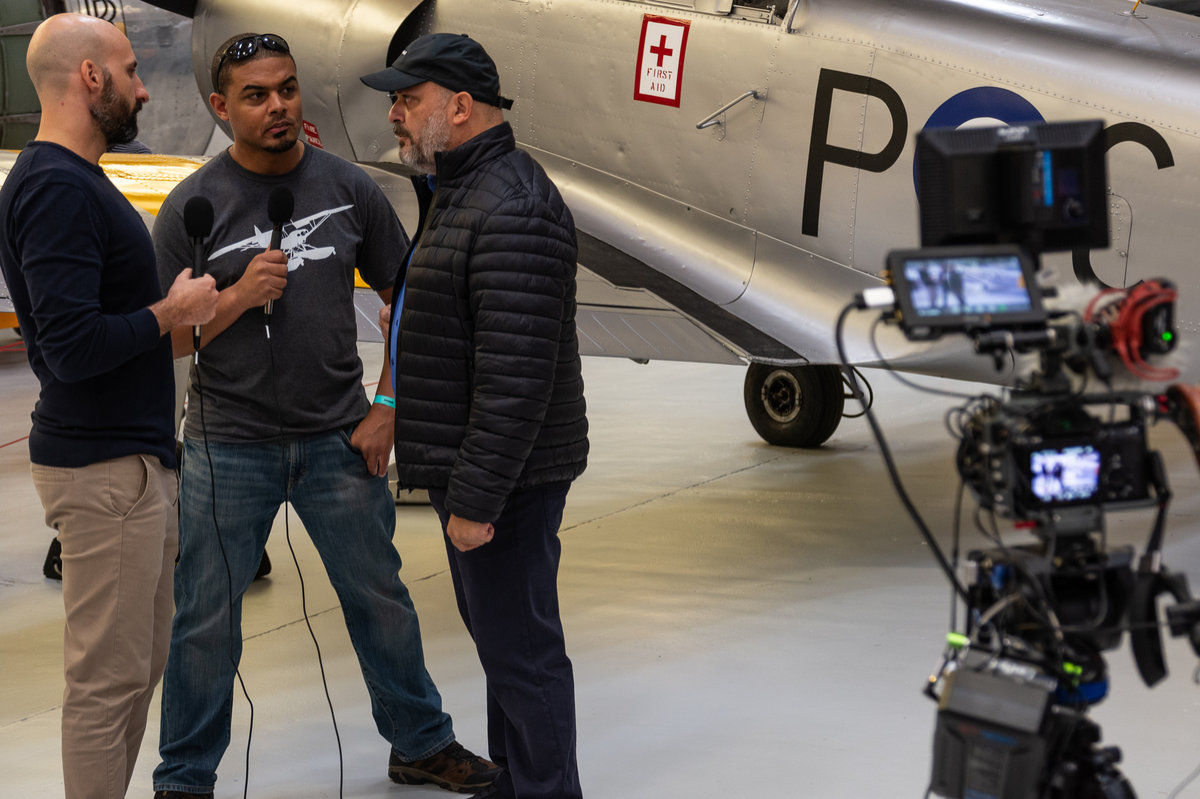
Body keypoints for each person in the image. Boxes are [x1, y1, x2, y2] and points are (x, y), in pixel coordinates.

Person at [150, 32, 498, 798]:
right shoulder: (193, 205)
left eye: (287, 89)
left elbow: (408, 300)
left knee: (381, 599)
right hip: (225, 446)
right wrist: (238, 296)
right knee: (204, 622)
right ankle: (184, 777)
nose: (278, 106)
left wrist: (389, 404)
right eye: (255, 95)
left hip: (340, 439)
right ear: (220, 106)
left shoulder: (350, 188)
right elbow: (162, 333)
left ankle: (420, 743)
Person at [360, 33, 590, 799]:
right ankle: (521, 781)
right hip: (483, 475)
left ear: (458, 108)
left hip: (507, 483)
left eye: (407, 99)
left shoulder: (511, 204)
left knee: (524, 656)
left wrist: (478, 500)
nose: (394, 113)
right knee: (505, 652)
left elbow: (516, 375)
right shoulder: (464, 188)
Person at [0, 14, 219, 799]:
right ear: (89, 78)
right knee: (106, 682)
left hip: (129, 461)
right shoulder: (57, 188)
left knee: (135, 670)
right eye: (130, 70)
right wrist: (170, 310)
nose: (143, 85)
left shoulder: (75, 181)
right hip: (101, 471)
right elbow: (67, 348)